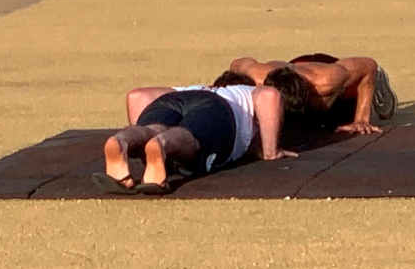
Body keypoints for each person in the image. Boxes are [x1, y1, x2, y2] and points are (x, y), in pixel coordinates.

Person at [96, 81, 297, 195]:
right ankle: (161, 144)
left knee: (153, 128)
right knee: (191, 136)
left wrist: (142, 149)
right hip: (216, 108)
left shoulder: (200, 86)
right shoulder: (246, 91)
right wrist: (270, 150)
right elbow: (270, 95)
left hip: (176, 97)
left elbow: (137, 96)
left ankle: (122, 140)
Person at [227, 54, 397, 134]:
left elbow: (368, 65)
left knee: (334, 118)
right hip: (291, 68)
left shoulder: (326, 81)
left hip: (325, 68)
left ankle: (377, 81)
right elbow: (237, 64)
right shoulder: (258, 76)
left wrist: (361, 119)